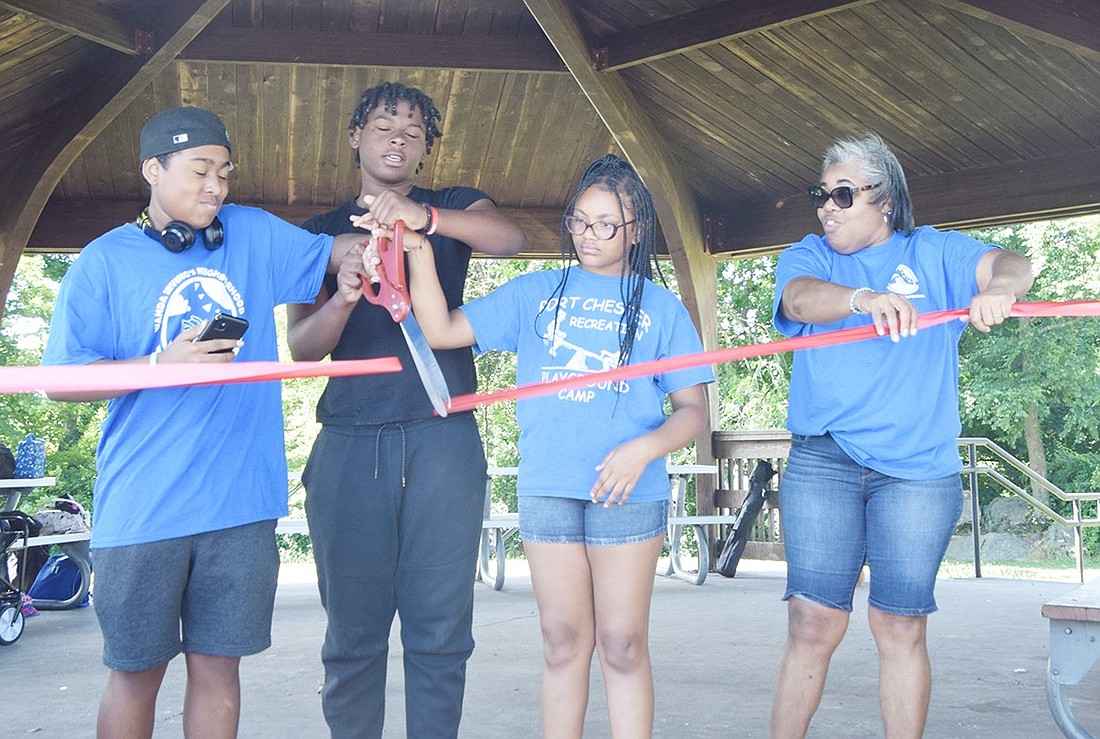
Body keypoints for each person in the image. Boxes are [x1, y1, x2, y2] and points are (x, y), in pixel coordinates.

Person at [41, 106, 362, 739]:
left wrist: (382, 235)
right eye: (200, 170)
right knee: (136, 673)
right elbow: (60, 380)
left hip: (241, 504)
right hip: (144, 508)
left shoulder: (252, 233)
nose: (216, 186)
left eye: (224, 171)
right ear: (152, 171)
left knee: (220, 671)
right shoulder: (103, 262)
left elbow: (336, 252)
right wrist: (162, 362)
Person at [391, 153, 713, 737]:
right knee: (563, 641)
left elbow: (694, 412)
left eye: (606, 225)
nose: (589, 236)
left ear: (635, 229)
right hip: (549, 488)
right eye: (580, 221)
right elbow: (441, 331)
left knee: (621, 643)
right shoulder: (535, 292)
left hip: (628, 494)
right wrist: (416, 250)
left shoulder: (661, 307)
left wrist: (643, 449)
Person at [769, 133, 1034, 739]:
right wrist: (863, 298)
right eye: (821, 194)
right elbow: (799, 299)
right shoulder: (810, 253)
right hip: (824, 462)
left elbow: (1014, 264)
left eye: (842, 194)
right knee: (812, 624)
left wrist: (998, 290)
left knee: (901, 627)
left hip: (916, 474)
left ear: (884, 200)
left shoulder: (934, 251)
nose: (827, 208)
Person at [285, 81, 526, 739]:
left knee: (441, 625)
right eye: (384, 124)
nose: (399, 137)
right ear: (356, 135)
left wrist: (427, 221)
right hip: (349, 439)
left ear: (424, 151)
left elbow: (509, 236)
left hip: (442, 438)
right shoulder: (317, 233)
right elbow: (301, 348)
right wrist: (341, 296)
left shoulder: (449, 206)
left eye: (414, 131)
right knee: (353, 629)